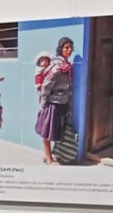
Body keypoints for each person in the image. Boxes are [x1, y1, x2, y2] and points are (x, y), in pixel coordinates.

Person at [35, 37, 74, 165]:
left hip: (62, 103)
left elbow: (68, 87)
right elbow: (46, 85)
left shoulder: (67, 66)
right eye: (66, 47)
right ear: (60, 49)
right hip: (52, 103)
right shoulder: (57, 67)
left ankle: (51, 155)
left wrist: (68, 105)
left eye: (70, 47)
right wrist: (43, 104)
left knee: (57, 131)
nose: (69, 50)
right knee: (47, 131)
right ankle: (48, 157)